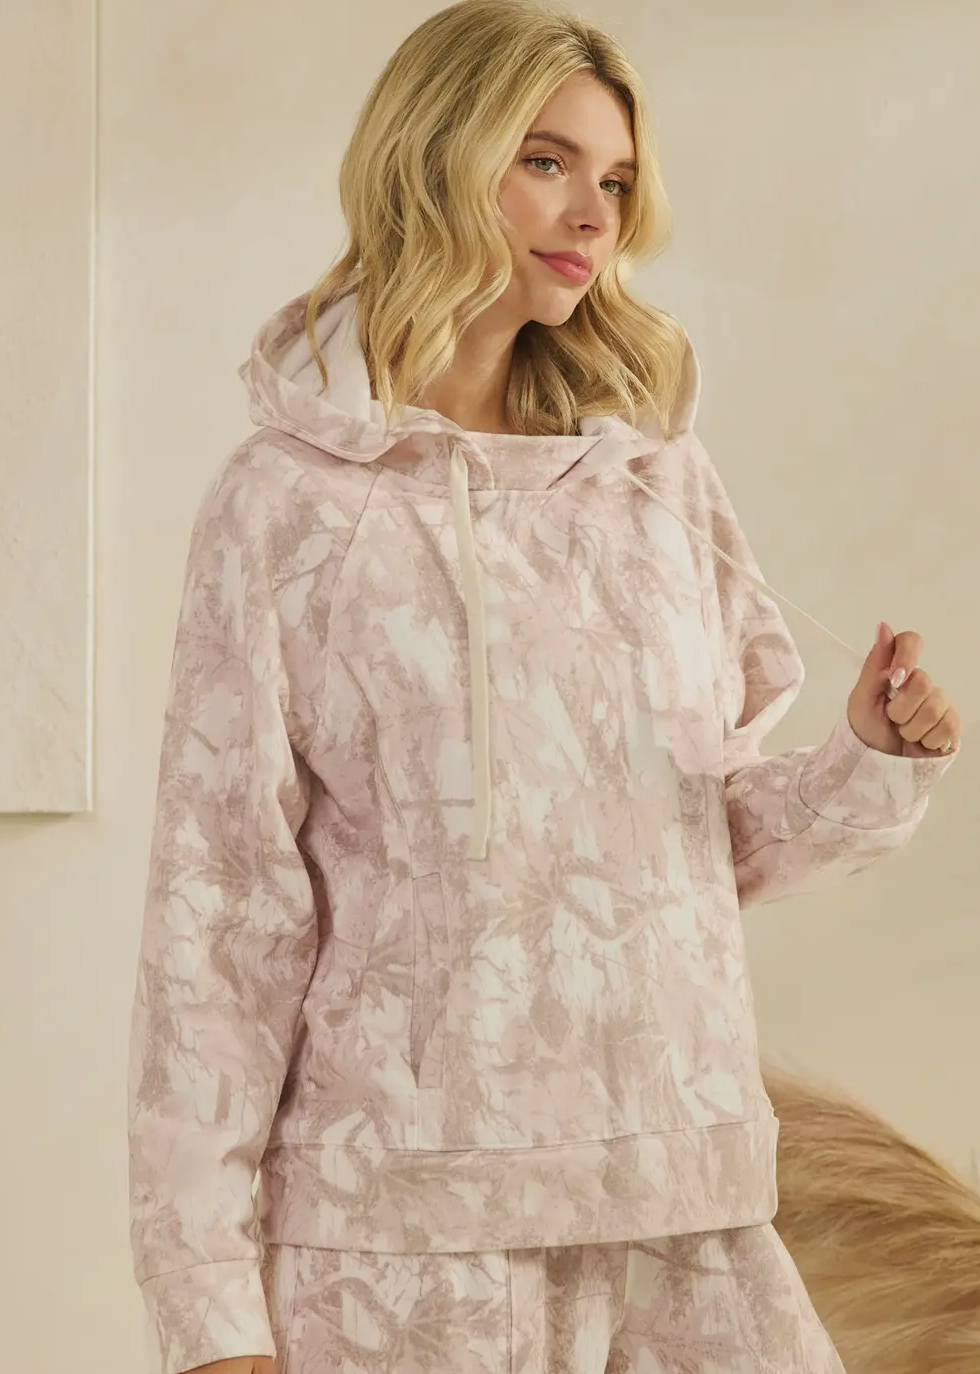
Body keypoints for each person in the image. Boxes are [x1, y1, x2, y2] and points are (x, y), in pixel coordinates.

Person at [127, 2, 961, 1372]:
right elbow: (220, 916)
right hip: (404, 1239)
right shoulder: (287, 505)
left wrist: (868, 757)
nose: (593, 215)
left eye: (617, 181)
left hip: (680, 1201)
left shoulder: (654, 481)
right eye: (547, 162)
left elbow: (699, 845)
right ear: (435, 159)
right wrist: (211, 1307)